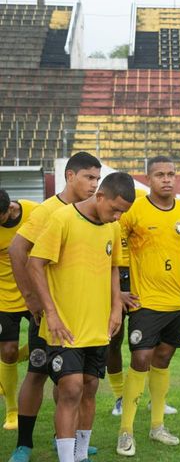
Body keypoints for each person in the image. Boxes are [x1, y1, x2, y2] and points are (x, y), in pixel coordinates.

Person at [27, 172, 135, 462]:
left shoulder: (112, 227)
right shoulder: (62, 219)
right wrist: (50, 312)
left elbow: (114, 267)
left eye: (123, 212)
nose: (117, 217)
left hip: (97, 326)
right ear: (100, 196)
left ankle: (81, 454)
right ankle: (66, 458)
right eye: (115, 209)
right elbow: (34, 263)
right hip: (65, 326)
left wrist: (115, 308)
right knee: (71, 388)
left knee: (89, 387)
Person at [115, 156, 180, 457]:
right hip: (145, 302)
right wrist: (120, 290)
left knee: (163, 359)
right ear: (149, 179)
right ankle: (126, 430)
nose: (167, 179)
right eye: (160, 175)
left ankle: (157, 426)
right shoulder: (133, 211)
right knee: (141, 357)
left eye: (171, 174)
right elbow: (114, 250)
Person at [8, 152, 102, 462]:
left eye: (97, 178)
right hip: (49, 314)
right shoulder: (49, 210)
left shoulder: (95, 213)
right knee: (36, 372)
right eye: (88, 177)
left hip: (81, 314)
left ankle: (69, 440)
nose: (93, 184)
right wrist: (31, 298)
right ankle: (24, 444)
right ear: (70, 176)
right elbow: (17, 249)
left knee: (74, 381)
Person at [108, 187, 178, 418]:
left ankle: (155, 399)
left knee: (152, 344)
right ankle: (120, 397)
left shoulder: (142, 196)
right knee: (113, 338)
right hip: (115, 274)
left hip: (145, 275)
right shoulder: (109, 201)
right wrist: (116, 292)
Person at [0, 190, 37, 430]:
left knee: (41, 347)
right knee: (9, 352)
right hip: (4, 298)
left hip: (35, 295)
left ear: (9, 209)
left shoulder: (34, 213)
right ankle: (11, 410)